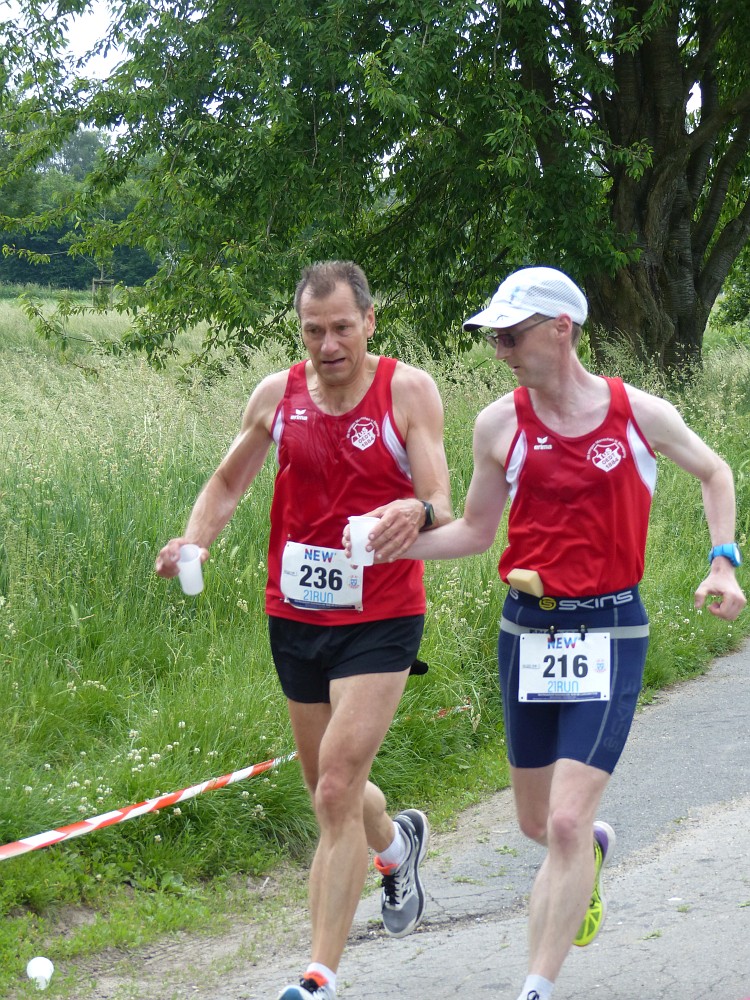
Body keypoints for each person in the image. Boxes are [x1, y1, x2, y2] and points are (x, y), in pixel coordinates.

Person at [365, 266, 746, 1000]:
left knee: (566, 823)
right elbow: (476, 532)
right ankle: (589, 853)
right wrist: (390, 548)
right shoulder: (498, 424)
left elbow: (715, 472)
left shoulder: (638, 413)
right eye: (495, 339)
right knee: (538, 823)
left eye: (511, 336)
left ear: (561, 329)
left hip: (610, 629)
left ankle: (536, 986)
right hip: (527, 633)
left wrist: (722, 563)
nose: (500, 350)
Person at [155, 260, 452, 1000]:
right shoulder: (277, 396)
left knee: (335, 788)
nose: (328, 345)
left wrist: (416, 511)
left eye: (342, 328)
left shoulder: (407, 391)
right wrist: (193, 541)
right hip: (294, 615)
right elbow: (228, 482)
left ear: (369, 322)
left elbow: (439, 497)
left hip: (381, 615)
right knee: (329, 788)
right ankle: (397, 844)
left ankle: (318, 976)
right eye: (313, 330)